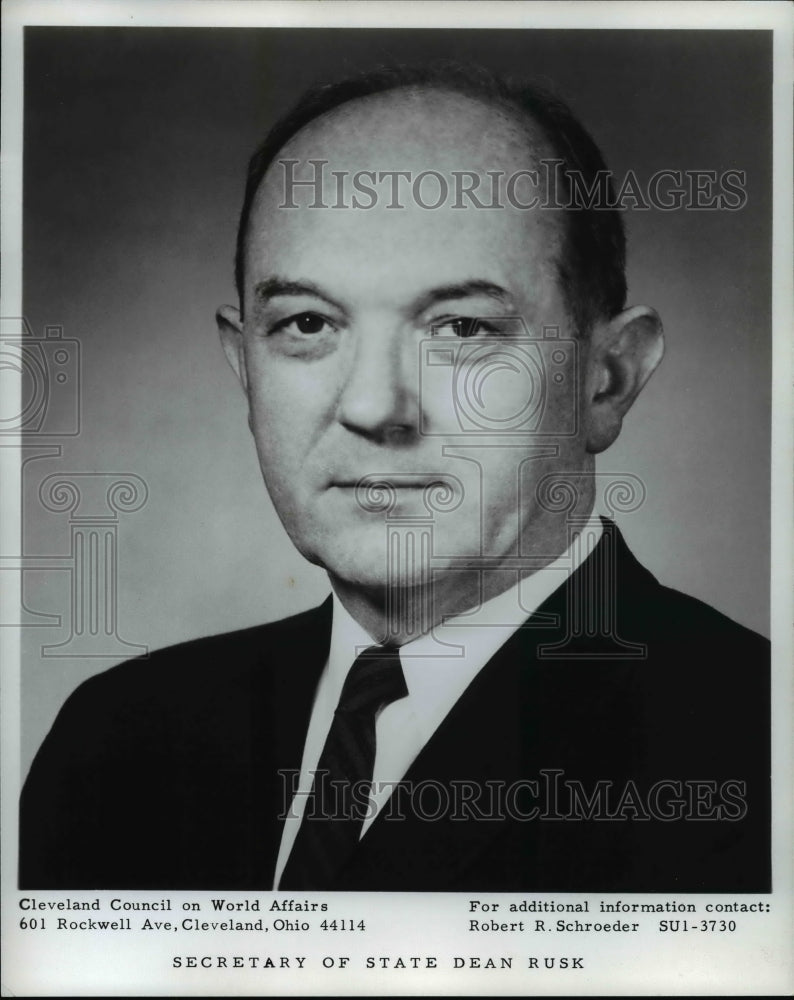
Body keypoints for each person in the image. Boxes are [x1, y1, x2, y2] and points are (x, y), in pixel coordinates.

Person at [20, 63, 769, 891]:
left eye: (461, 327)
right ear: (244, 365)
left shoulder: (758, 750)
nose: (377, 407)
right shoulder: (116, 743)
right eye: (307, 323)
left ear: (608, 377)